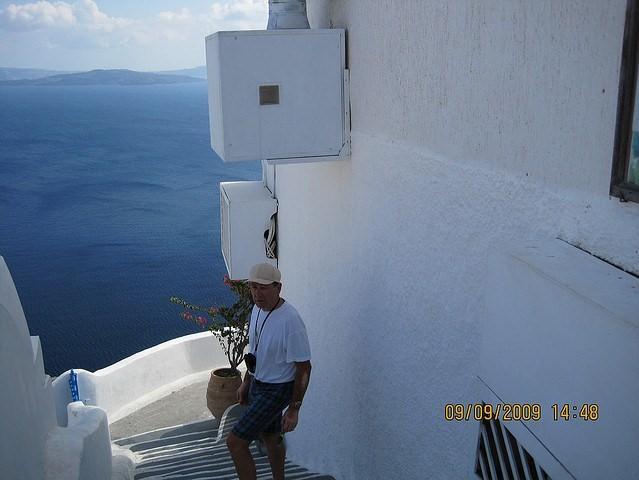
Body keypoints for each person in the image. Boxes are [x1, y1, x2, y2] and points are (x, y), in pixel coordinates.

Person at [226, 263, 312, 480]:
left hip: (278, 388)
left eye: (263, 288)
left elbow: (304, 367)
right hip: (258, 382)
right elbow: (255, 351)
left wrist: (294, 409)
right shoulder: (256, 310)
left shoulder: (291, 321)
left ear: (278, 288)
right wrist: (247, 382)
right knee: (271, 436)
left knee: (235, 443)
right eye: (253, 287)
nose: (257, 294)